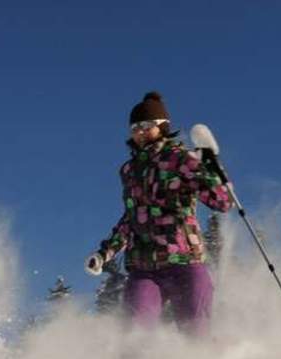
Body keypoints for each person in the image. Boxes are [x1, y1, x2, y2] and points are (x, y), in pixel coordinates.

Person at [85, 91, 233, 338]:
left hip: (185, 263)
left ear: (162, 126)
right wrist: (105, 252)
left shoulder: (182, 159)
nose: (140, 132)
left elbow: (222, 202)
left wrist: (209, 165)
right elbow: (132, 217)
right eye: (135, 127)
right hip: (144, 270)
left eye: (146, 126)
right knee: (134, 335)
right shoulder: (129, 170)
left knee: (196, 334)